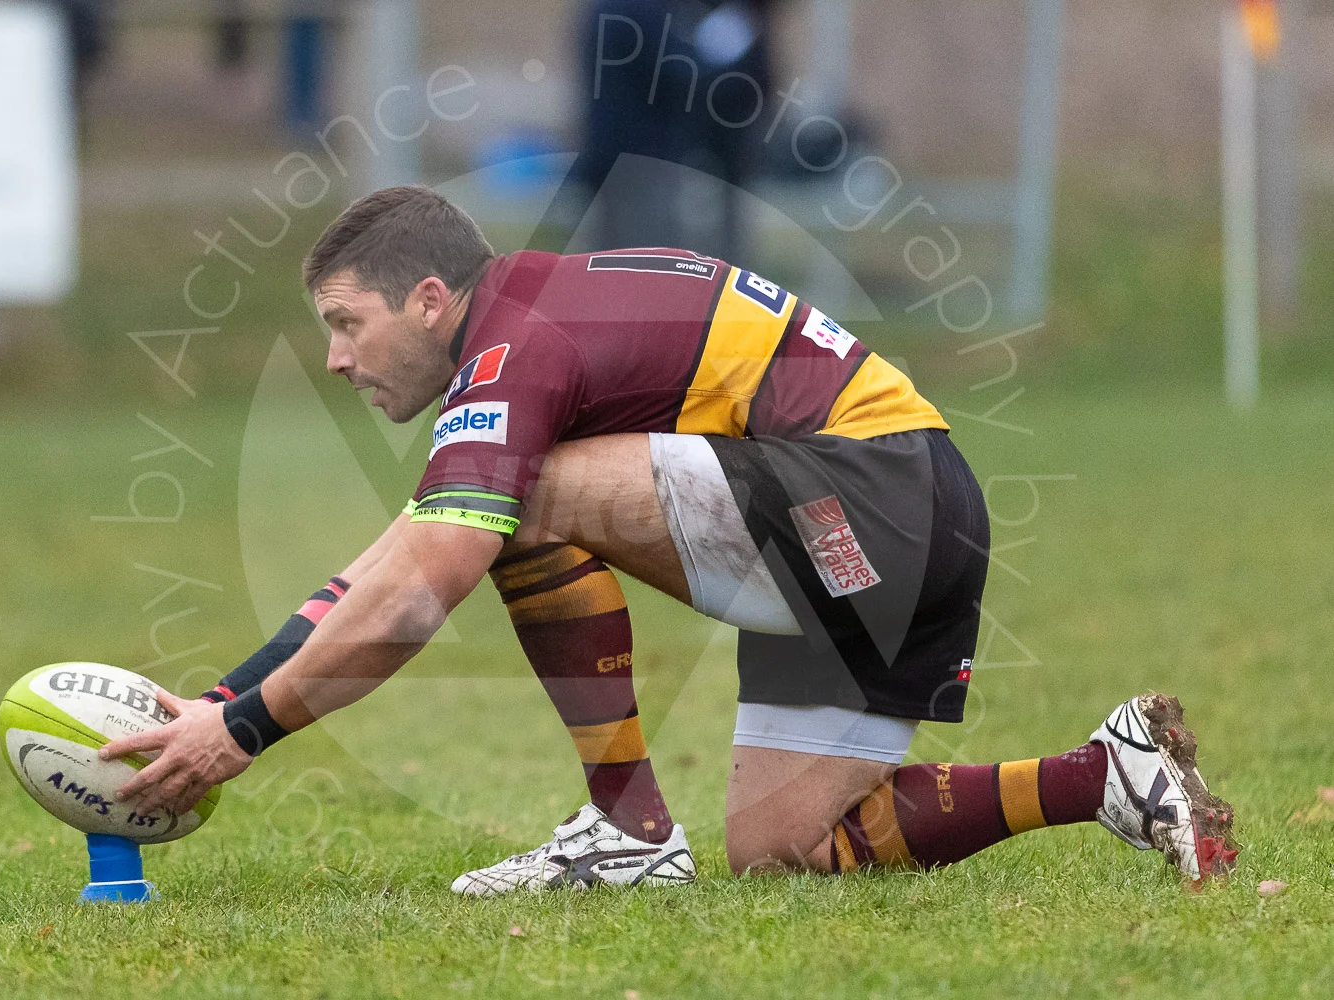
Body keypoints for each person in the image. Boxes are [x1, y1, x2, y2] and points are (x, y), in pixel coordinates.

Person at [100, 186, 1239, 891]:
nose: (339, 358)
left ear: (433, 300)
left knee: (515, 502)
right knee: (788, 847)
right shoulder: (525, 329)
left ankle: (625, 827)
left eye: (348, 325)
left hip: (864, 494)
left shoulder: (511, 351)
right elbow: (392, 561)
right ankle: (1105, 775)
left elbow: (415, 593)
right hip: (903, 505)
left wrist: (243, 730)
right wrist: (225, 695)